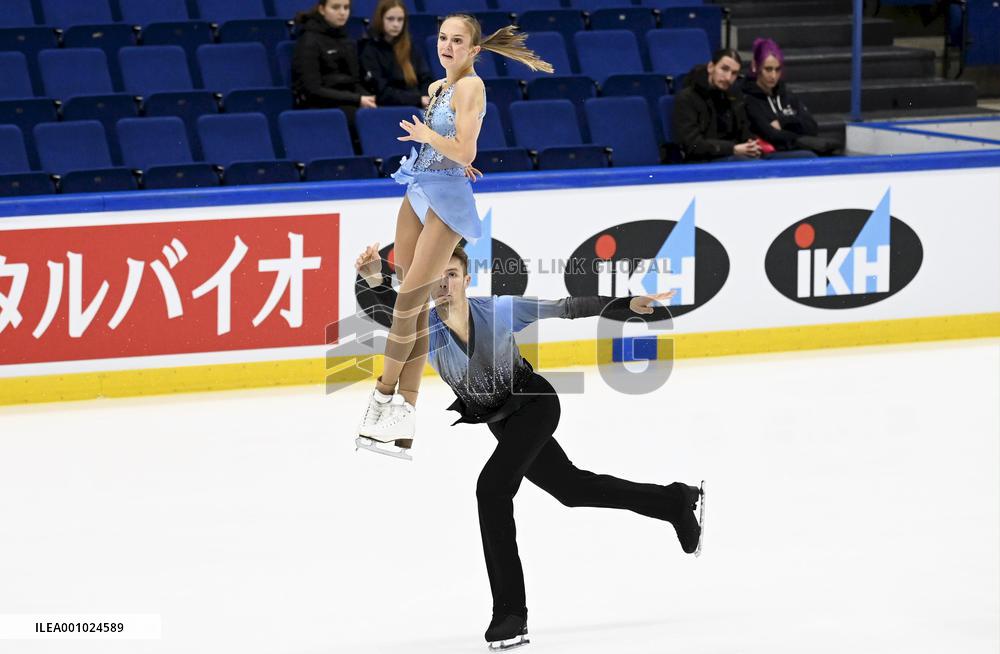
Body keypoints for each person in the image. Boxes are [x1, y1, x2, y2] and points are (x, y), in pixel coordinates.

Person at [354, 241, 705, 650]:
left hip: (535, 404)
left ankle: (510, 614)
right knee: (573, 489)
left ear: (467, 280)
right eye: (435, 277)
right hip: (501, 422)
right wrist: (377, 277)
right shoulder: (424, 327)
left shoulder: (499, 310)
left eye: (451, 274)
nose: (443, 283)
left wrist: (626, 303)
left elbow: (566, 308)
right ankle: (673, 502)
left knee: (492, 488)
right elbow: (394, 309)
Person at [354, 15, 553, 456]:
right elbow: (451, 147)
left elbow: (466, 148)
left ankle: (383, 396)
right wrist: (440, 147)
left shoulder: (470, 87)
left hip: (445, 202)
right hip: (417, 188)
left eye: (457, 40)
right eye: (443, 38)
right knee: (416, 303)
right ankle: (405, 417)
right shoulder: (439, 88)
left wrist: (433, 139)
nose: (447, 45)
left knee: (407, 303)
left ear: (474, 50)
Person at [673, 48, 816, 162]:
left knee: (807, 157)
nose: (728, 77)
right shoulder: (687, 98)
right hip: (706, 160)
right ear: (711, 67)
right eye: (724, 69)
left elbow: (745, 131)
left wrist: (751, 144)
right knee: (753, 167)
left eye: (734, 73)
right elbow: (692, 145)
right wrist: (733, 148)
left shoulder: (734, 96)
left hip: (739, 155)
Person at [741, 38, 839, 156]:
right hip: (768, 154)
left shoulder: (787, 95)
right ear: (755, 66)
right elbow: (771, 135)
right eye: (768, 69)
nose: (773, 75)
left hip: (793, 148)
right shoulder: (749, 98)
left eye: (777, 70)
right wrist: (799, 134)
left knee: (832, 154)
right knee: (807, 155)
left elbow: (812, 127)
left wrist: (783, 121)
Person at [292, 0, 376, 127]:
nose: (342, 13)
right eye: (336, 7)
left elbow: (355, 81)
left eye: (346, 7)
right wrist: (357, 99)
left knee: (386, 112)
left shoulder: (346, 40)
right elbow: (312, 90)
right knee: (368, 120)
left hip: (348, 102)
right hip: (321, 106)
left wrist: (368, 98)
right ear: (322, 9)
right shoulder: (308, 41)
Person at [360, 0, 434, 109]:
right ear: (380, 19)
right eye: (390, 19)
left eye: (400, 20)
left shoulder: (410, 46)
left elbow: (425, 78)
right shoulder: (369, 50)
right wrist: (418, 99)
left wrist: (425, 97)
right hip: (392, 108)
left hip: (418, 105)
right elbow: (382, 92)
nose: (396, 24)